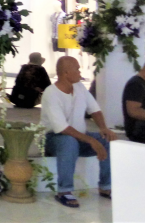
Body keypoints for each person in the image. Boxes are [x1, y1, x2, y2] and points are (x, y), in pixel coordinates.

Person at [41, 56, 117, 208]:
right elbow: (62, 128)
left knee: (107, 140)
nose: (79, 71)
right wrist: (90, 140)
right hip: (53, 139)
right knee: (69, 142)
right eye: (76, 68)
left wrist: (103, 128)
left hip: (78, 137)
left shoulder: (80, 88)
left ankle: (106, 186)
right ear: (66, 72)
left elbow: (94, 110)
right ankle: (64, 191)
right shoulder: (51, 93)